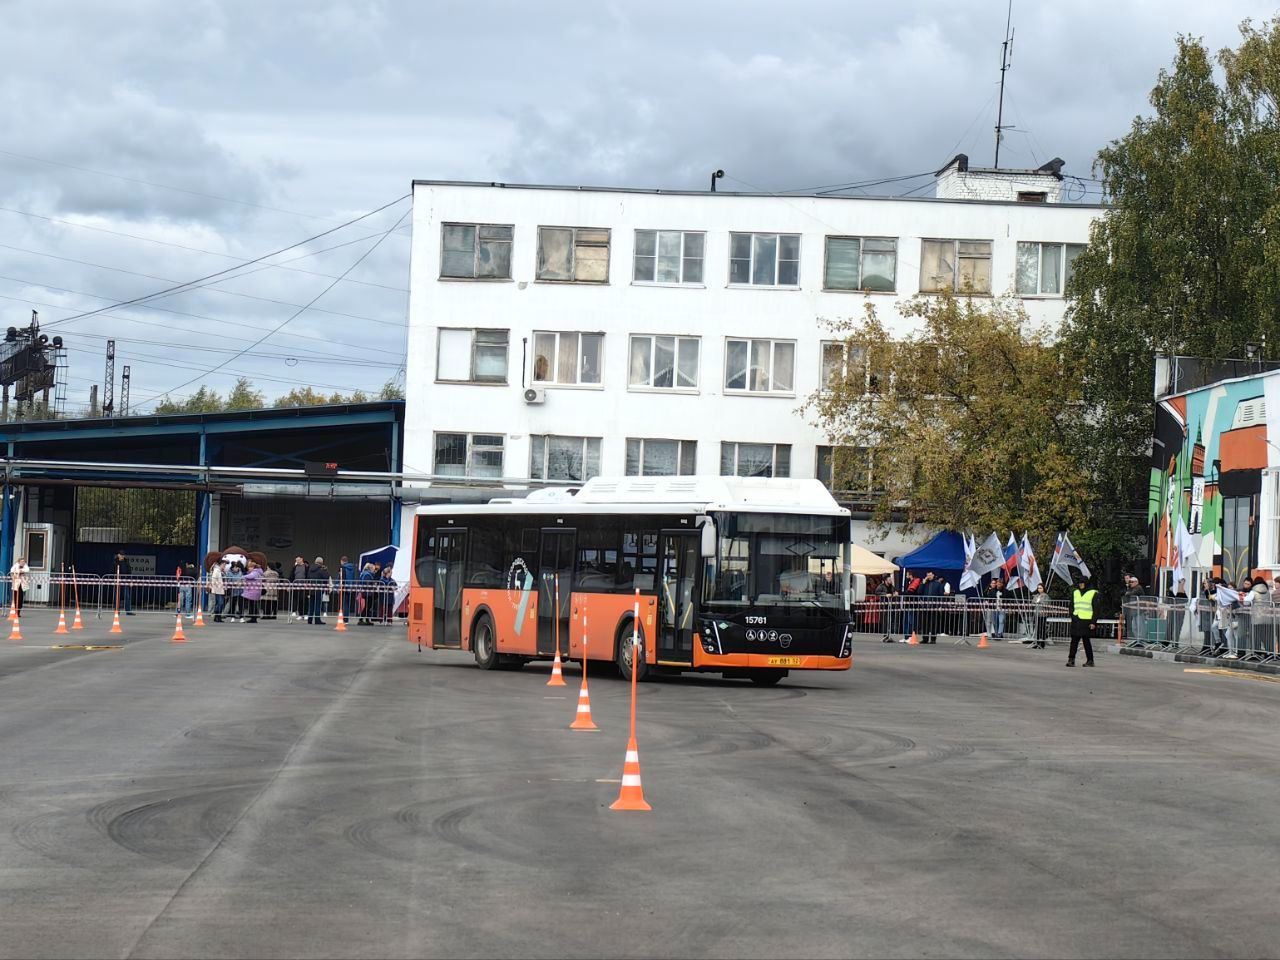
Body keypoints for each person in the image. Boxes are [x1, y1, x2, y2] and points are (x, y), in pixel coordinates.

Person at [1067, 577, 1097, 667]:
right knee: (1074, 641)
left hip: (1086, 621)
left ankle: (1090, 660)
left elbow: (1096, 609)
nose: (1080, 585)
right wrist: (1072, 615)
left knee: (1086, 641)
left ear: (1086, 583)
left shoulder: (1093, 593)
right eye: (1080, 583)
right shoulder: (1075, 592)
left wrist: (1093, 622)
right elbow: (1071, 605)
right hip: (1076, 619)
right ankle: (1071, 660)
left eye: (1082, 583)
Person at [920, 571, 944, 643]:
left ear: (933, 575)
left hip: (934, 607)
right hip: (925, 607)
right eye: (927, 575)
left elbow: (941, 595)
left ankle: (933, 639)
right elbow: (919, 592)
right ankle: (925, 638)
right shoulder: (925, 584)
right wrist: (922, 583)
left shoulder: (938, 584)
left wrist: (940, 605)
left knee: (933, 623)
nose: (928, 576)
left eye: (930, 575)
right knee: (925, 623)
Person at [309, 556, 330, 625]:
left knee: (311, 605)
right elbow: (326, 577)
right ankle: (317, 620)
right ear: (321, 563)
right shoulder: (321, 570)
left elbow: (308, 577)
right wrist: (325, 570)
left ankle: (310, 619)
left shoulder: (310, 569)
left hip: (311, 588)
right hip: (318, 589)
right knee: (317, 605)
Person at [114, 550, 134, 614]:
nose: (122, 556)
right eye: (121, 555)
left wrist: (130, 581)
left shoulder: (126, 561)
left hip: (125, 580)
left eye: (123, 555)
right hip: (118, 580)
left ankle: (128, 611)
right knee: (117, 596)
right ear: (118, 555)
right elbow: (112, 570)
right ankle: (117, 610)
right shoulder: (115, 561)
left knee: (127, 596)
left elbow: (129, 571)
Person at [1030, 582, 1050, 649]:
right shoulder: (1036, 595)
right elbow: (1033, 602)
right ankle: (1037, 642)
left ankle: (1042, 643)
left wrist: (1040, 602)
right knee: (1037, 629)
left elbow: (1047, 604)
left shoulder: (1045, 596)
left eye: (1041, 588)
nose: (1039, 589)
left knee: (1042, 629)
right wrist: (1035, 602)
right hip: (1036, 614)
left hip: (1042, 614)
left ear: (1043, 588)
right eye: (1038, 588)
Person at [290, 556, 309, 620]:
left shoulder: (306, 567)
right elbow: (291, 576)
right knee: (298, 600)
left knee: (304, 600)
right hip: (296, 586)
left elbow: (308, 576)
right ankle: (300, 614)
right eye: (296, 560)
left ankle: (306, 614)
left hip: (304, 587)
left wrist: (307, 583)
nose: (297, 561)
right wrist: (290, 584)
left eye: (298, 560)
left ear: (301, 559)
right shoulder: (294, 567)